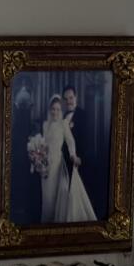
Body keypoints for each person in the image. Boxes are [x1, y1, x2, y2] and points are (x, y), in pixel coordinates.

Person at [26, 87, 99, 226]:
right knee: (46, 198)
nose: (55, 112)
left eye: (58, 109)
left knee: (56, 197)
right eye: (53, 109)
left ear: (61, 110)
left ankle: (56, 224)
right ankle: (46, 223)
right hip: (45, 166)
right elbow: (40, 142)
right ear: (49, 109)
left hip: (58, 165)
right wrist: (37, 157)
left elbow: (71, 142)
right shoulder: (45, 124)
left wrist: (73, 155)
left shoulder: (63, 124)